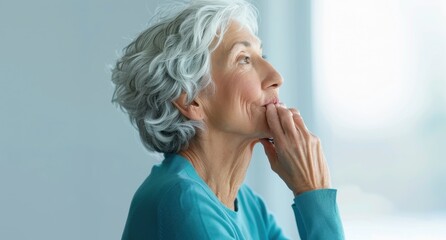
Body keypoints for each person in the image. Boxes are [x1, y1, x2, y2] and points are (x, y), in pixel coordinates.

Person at [111, 0, 344, 239]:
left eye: (261, 54)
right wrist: (313, 190)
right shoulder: (181, 202)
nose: (276, 77)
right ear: (191, 100)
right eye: (244, 59)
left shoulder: (249, 206)